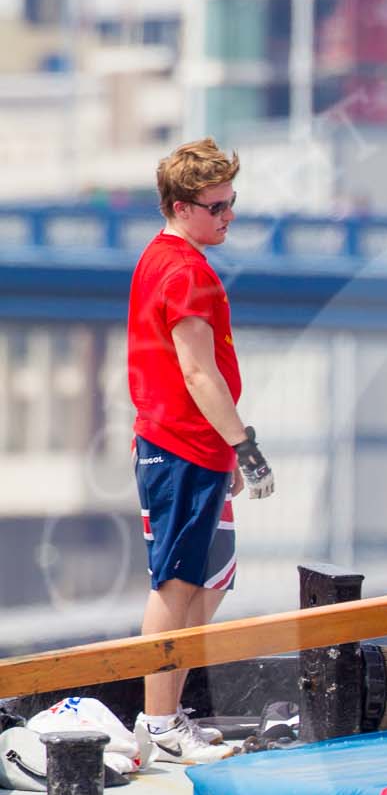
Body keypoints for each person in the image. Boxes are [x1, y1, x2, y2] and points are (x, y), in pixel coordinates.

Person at [127, 137, 274, 763]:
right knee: (177, 581)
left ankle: (168, 712)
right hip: (179, 448)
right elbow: (197, 371)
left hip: (195, 448)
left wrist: (226, 449)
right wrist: (245, 446)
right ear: (183, 207)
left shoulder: (166, 259)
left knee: (210, 577)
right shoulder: (183, 269)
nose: (228, 216)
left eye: (231, 203)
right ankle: (158, 722)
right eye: (217, 206)